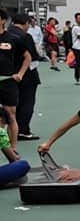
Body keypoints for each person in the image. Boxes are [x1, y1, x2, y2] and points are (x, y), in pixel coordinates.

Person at [7, 14, 43, 141]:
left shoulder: (6, 35)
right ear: (26, 23)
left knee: (11, 104)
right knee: (27, 102)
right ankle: (23, 130)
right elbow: (32, 56)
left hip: (9, 74)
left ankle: (10, 128)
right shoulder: (25, 36)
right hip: (26, 74)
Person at [0, 11, 32, 152]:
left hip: (8, 82)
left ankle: (13, 149)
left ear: (3, 21)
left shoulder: (12, 38)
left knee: (10, 115)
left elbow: (28, 57)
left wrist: (20, 74)